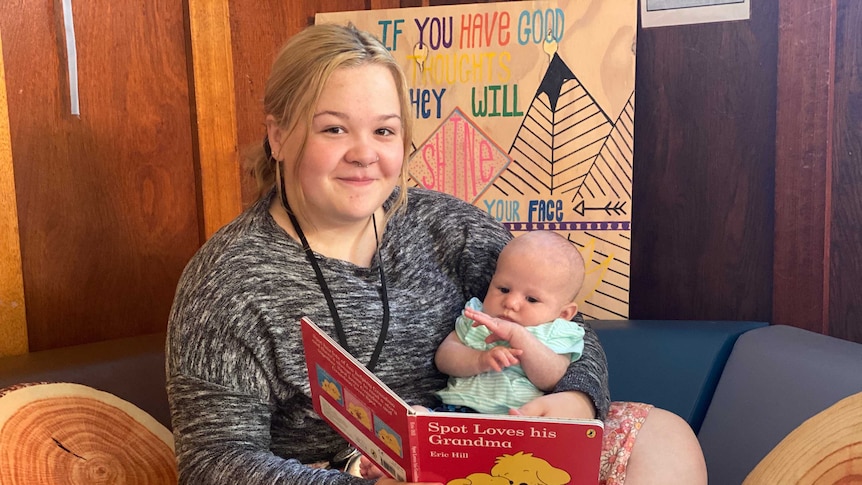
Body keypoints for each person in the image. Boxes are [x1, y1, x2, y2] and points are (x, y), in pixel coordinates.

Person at [166, 23, 707, 485]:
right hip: (344, 472)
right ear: (278, 135)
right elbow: (215, 460)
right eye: (333, 129)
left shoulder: (445, 225)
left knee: (664, 437)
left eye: (384, 130)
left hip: (495, 438)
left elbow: (563, 320)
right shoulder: (226, 281)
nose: (365, 155)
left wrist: (578, 399)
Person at [433, 230, 588, 415]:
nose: (510, 303)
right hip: (458, 411)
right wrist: (479, 359)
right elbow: (444, 358)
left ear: (564, 313)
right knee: (418, 414)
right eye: (504, 289)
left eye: (531, 299)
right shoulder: (477, 316)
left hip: (519, 418)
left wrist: (519, 336)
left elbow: (553, 378)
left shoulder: (555, 331)